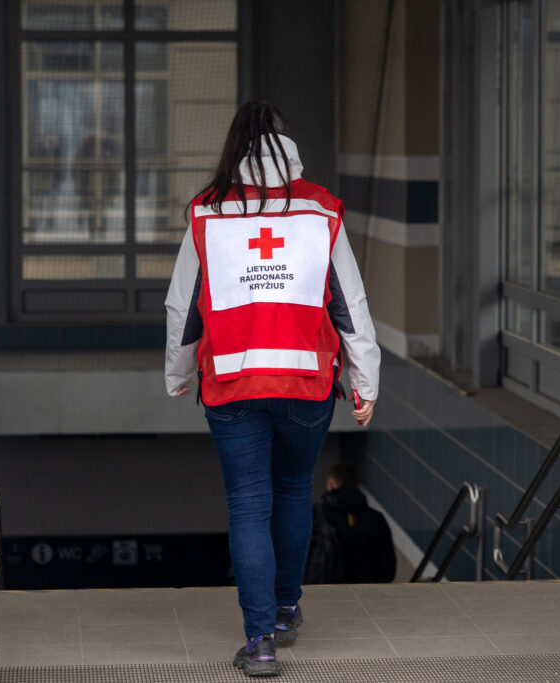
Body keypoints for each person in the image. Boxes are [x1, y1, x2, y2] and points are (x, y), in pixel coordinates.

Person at [164, 101, 380, 677]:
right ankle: (286, 609)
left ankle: (259, 642)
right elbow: (348, 304)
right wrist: (365, 380)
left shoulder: (208, 212)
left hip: (233, 382)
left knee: (248, 504)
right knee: (292, 490)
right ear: (287, 146)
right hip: (306, 382)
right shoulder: (320, 209)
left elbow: (184, 306)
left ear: (234, 147)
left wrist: (177, 372)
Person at [305, 463, 396, 585]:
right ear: (357, 485)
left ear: (330, 485)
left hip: (324, 587)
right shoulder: (376, 519)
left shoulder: (315, 514)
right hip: (367, 589)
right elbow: (388, 570)